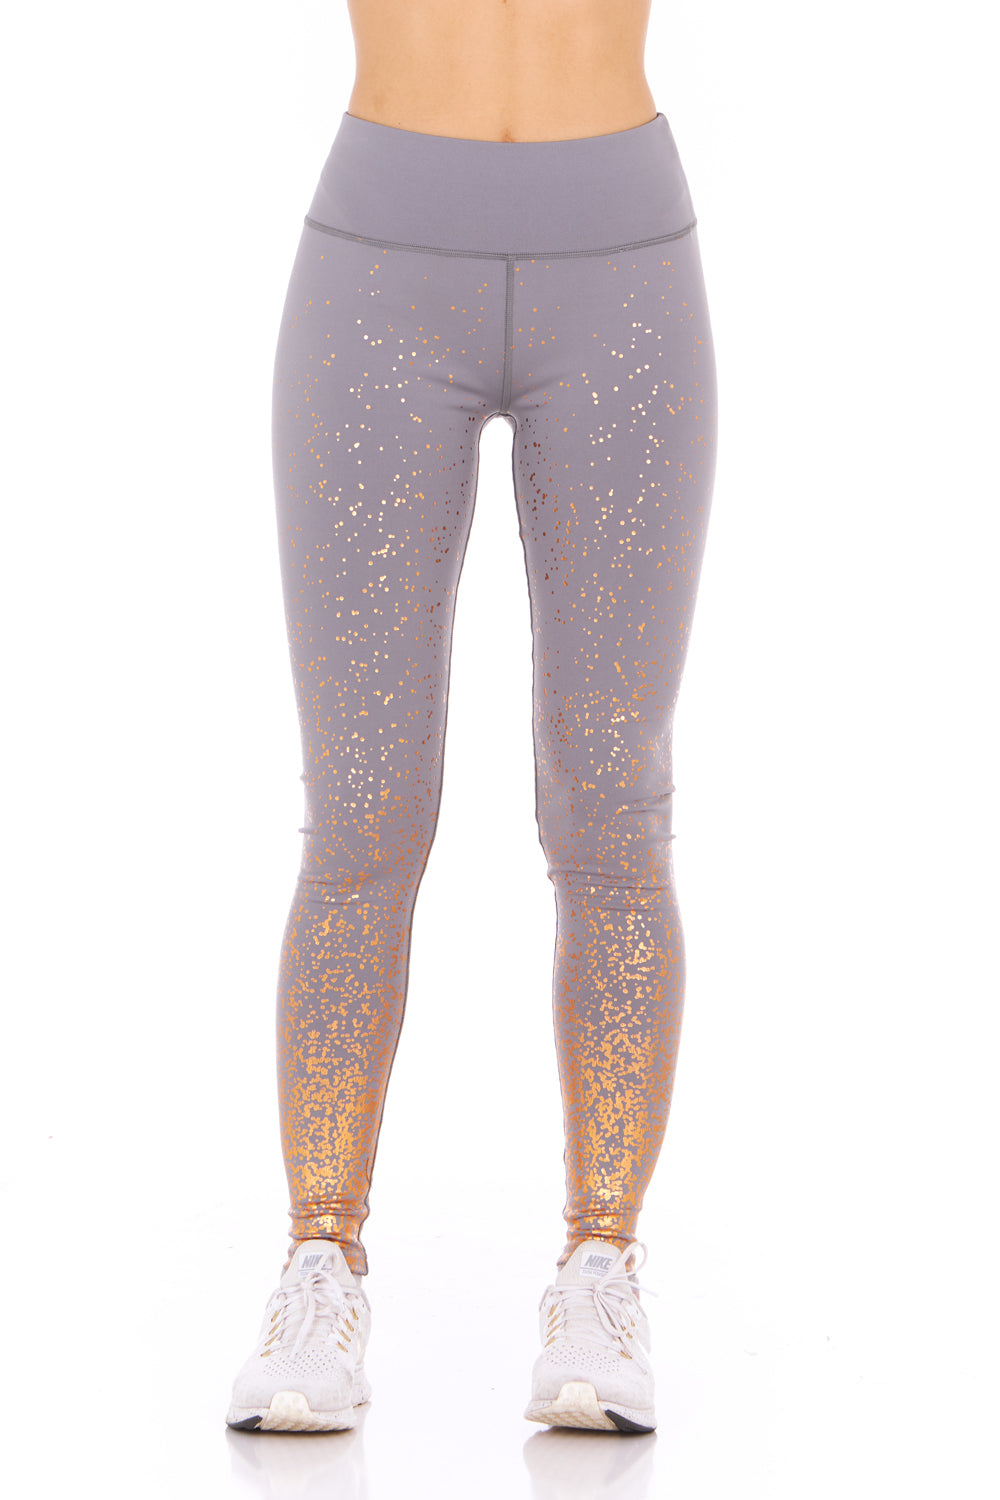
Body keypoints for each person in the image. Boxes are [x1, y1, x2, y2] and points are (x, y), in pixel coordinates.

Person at [227, 0, 718, 1436]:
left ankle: (601, 1266)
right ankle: (319, 1263)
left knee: (613, 798)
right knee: (362, 807)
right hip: (378, 267)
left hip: (624, 269)